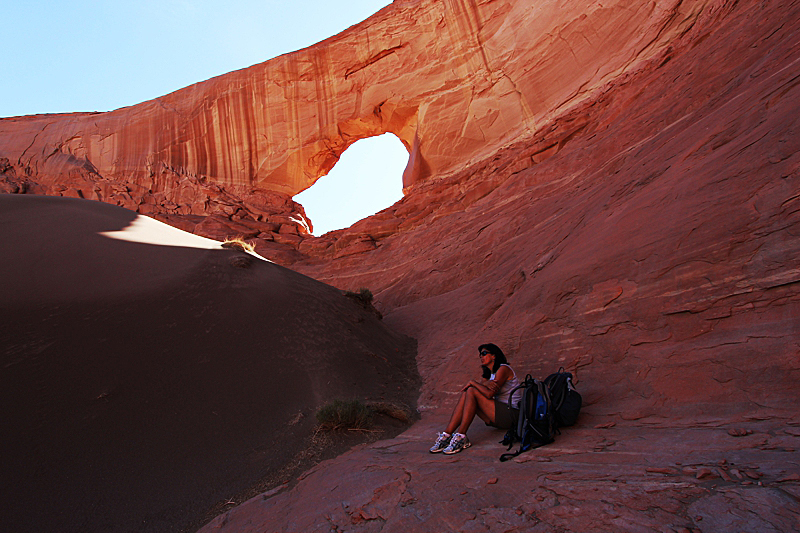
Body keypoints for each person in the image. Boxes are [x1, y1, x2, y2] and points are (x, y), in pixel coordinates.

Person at [429, 343, 522, 454]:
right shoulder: (491, 374)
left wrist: (473, 383)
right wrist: (481, 385)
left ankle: (461, 436)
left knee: (472, 390)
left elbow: (488, 394)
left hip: (510, 415)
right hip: (497, 417)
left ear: (494, 356)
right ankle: (447, 435)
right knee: (468, 393)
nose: (481, 357)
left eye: (484, 353)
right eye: (480, 355)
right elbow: (484, 389)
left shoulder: (503, 369)